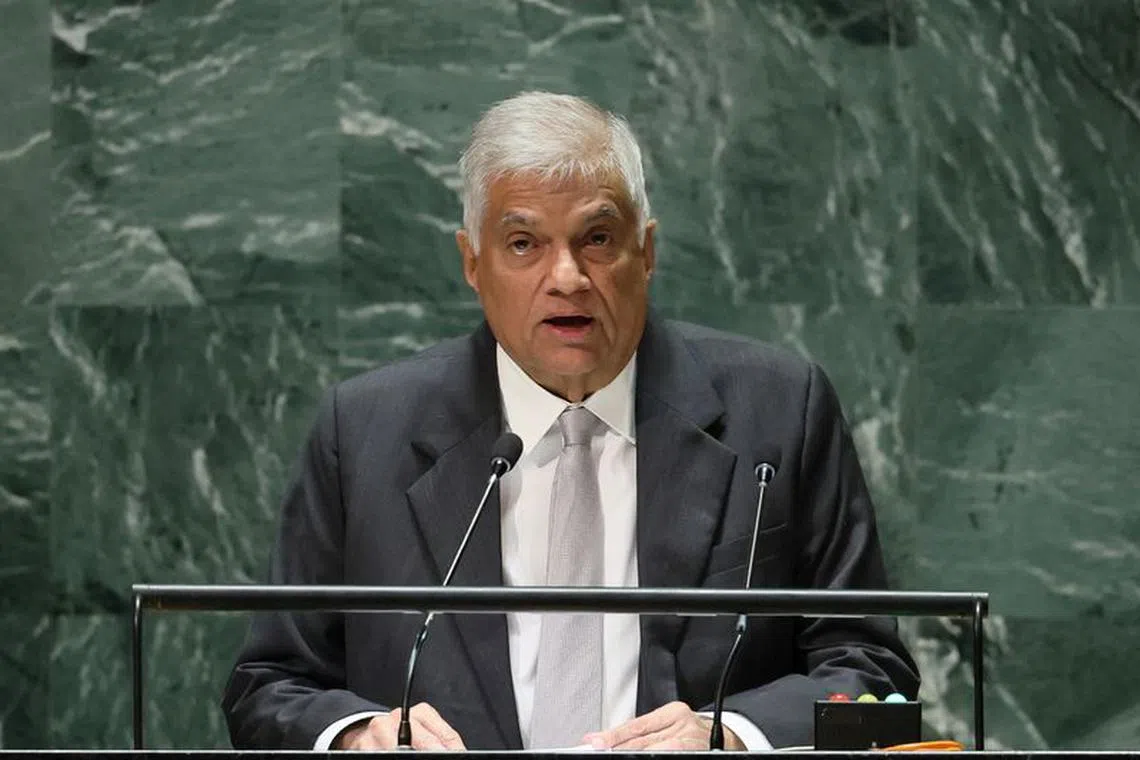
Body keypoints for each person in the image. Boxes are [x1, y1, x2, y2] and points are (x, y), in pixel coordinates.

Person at [222, 91, 919, 751]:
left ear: (646, 252)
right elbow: (269, 686)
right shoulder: (365, 431)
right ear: (471, 262)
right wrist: (356, 733)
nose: (566, 277)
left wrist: (732, 733)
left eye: (597, 238)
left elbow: (872, 675)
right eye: (523, 243)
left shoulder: (778, 410)